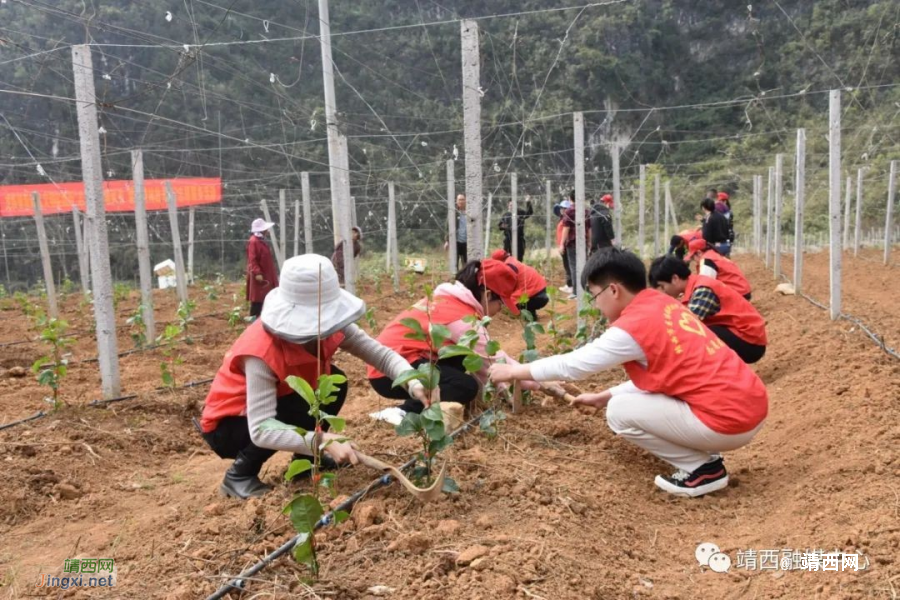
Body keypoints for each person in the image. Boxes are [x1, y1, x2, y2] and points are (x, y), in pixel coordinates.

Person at [488, 248, 768, 498]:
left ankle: (702, 469)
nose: (596, 306)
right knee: (616, 401)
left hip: (731, 421)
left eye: (595, 295)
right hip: (749, 404)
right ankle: (703, 452)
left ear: (613, 290)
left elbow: (574, 365)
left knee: (620, 412)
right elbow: (665, 376)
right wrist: (604, 395)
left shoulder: (633, 326)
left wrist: (514, 371)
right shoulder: (662, 304)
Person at [200, 254, 431, 500]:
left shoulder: (331, 326)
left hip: (278, 405)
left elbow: (381, 355)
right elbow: (262, 430)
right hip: (231, 425)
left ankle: (306, 464)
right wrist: (322, 441)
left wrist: (414, 382)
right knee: (295, 409)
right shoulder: (261, 351)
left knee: (332, 384)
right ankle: (239, 475)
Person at [368, 258, 527, 424]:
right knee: (465, 386)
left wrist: (503, 390)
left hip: (398, 360)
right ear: (487, 295)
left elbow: (482, 363)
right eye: (501, 304)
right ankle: (402, 413)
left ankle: (419, 404)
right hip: (389, 370)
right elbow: (493, 360)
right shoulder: (461, 318)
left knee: (461, 355)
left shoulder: (451, 300)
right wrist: (540, 380)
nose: (500, 310)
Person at [649, 255, 766, 364]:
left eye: (663, 287)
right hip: (742, 336)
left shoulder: (702, 289)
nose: (663, 293)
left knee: (694, 336)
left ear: (675, 278)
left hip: (750, 343)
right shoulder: (694, 286)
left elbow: (686, 325)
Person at [686, 238, 752, 300]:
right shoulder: (713, 255)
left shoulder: (707, 260)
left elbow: (704, 286)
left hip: (738, 293)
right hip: (742, 290)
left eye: (692, 257)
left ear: (699, 253)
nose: (694, 260)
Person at [491, 249, 549, 317]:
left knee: (510, 304)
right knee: (517, 297)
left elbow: (506, 290)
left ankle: (527, 316)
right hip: (541, 291)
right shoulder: (512, 260)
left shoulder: (508, 267)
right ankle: (530, 313)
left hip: (536, 296)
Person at [559, 191, 591, 299]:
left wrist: (561, 244)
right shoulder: (586, 211)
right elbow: (589, 229)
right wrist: (590, 242)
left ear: (570, 198)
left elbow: (566, 228)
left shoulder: (569, 211)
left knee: (573, 267)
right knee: (584, 266)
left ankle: (577, 292)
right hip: (584, 242)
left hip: (572, 243)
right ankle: (585, 290)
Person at [246, 218, 279, 319]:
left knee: (267, 298)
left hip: (267, 274)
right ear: (261, 230)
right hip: (261, 276)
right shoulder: (253, 242)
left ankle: (264, 318)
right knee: (258, 300)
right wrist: (257, 273)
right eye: (266, 229)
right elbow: (252, 259)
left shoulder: (261, 241)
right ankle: (255, 320)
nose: (268, 231)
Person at [443, 194, 468, 270]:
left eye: (463, 199)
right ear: (456, 201)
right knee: (455, 263)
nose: (461, 201)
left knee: (467, 263)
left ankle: (466, 279)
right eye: (459, 200)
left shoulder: (469, 212)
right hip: (456, 241)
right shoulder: (453, 212)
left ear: (465, 201)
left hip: (467, 242)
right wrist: (447, 241)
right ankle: (455, 278)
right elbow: (448, 227)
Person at [554, 197, 574, 294]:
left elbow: (566, 233)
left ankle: (571, 285)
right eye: (561, 208)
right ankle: (569, 284)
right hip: (562, 246)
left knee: (569, 266)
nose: (562, 210)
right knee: (566, 266)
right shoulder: (562, 219)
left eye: (564, 208)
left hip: (566, 246)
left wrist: (563, 245)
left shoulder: (567, 220)